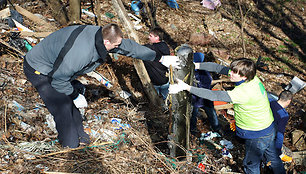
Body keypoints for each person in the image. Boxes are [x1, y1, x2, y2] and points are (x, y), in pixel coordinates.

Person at [23, 24, 156, 148]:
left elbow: (129, 47)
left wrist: (158, 58)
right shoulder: (82, 52)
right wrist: (75, 95)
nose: (117, 47)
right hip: (39, 69)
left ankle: (81, 138)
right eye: (116, 45)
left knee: (69, 102)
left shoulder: (103, 36)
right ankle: (70, 148)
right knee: (62, 107)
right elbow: (58, 80)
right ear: (106, 42)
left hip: (59, 69)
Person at [169, 58, 285, 174]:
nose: (231, 74)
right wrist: (194, 65)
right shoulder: (252, 77)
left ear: (244, 77)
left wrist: (187, 87)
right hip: (268, 127)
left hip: (257, 134)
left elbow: (214, 95)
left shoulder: (243, 92)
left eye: (235, 73)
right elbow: (217, 68)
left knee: (250, 165)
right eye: (232, 70)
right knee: (273, 158)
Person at [190, 52, 221, 136]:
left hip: (198, 97)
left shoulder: (195, 72)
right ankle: (216, 128)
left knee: (195, 114)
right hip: (204, 97)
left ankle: (193, 130)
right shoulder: (205, 71)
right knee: (209, 113)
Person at [143, 28, 171, 100]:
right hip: (165, 79)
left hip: (156, 81)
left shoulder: (153, 48)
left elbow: (143, 48)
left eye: (151, 36)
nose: (148, 37)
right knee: (167, 100)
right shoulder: (165, 46)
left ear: (157, 37)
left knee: (157, 101)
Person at [269, 90, 293, 155]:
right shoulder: (284, 115)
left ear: (279, 96)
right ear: (289, 101)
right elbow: (280, 134)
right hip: (270, 137)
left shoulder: (270, 102)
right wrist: (278, 150)